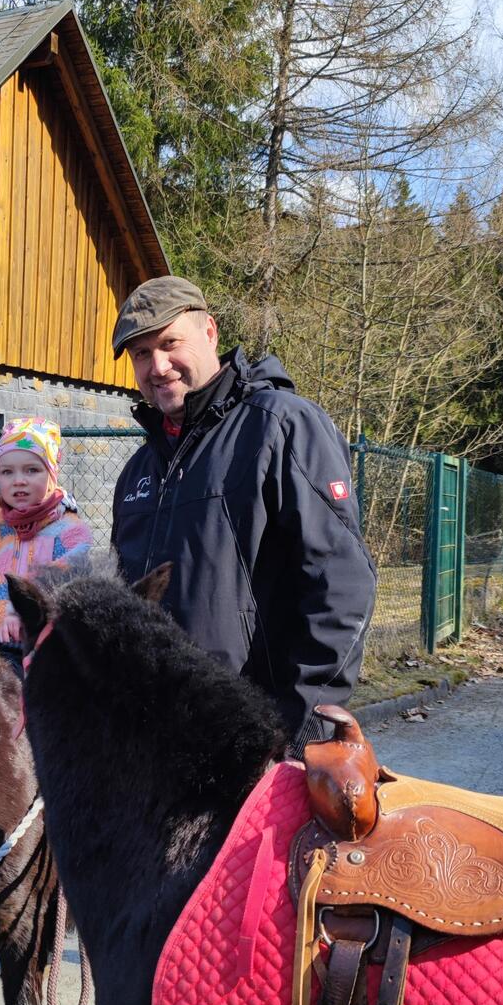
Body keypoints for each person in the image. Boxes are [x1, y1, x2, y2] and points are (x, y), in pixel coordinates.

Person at [110, 275, 376, 753]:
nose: (158, 366)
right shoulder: (137, 473)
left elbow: (341, 588)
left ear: (209, 332)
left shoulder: (281, 426)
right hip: (158, 740)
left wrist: (301, 734)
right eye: (141, 354)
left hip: (256, 738)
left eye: (170, 343)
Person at [0, 417, 93, 669]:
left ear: (52, 473)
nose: (18, 480)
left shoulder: (69, 530)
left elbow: (72, 585)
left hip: (50, 657)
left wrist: (28, 610)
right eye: (7, 471)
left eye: (32, 470)